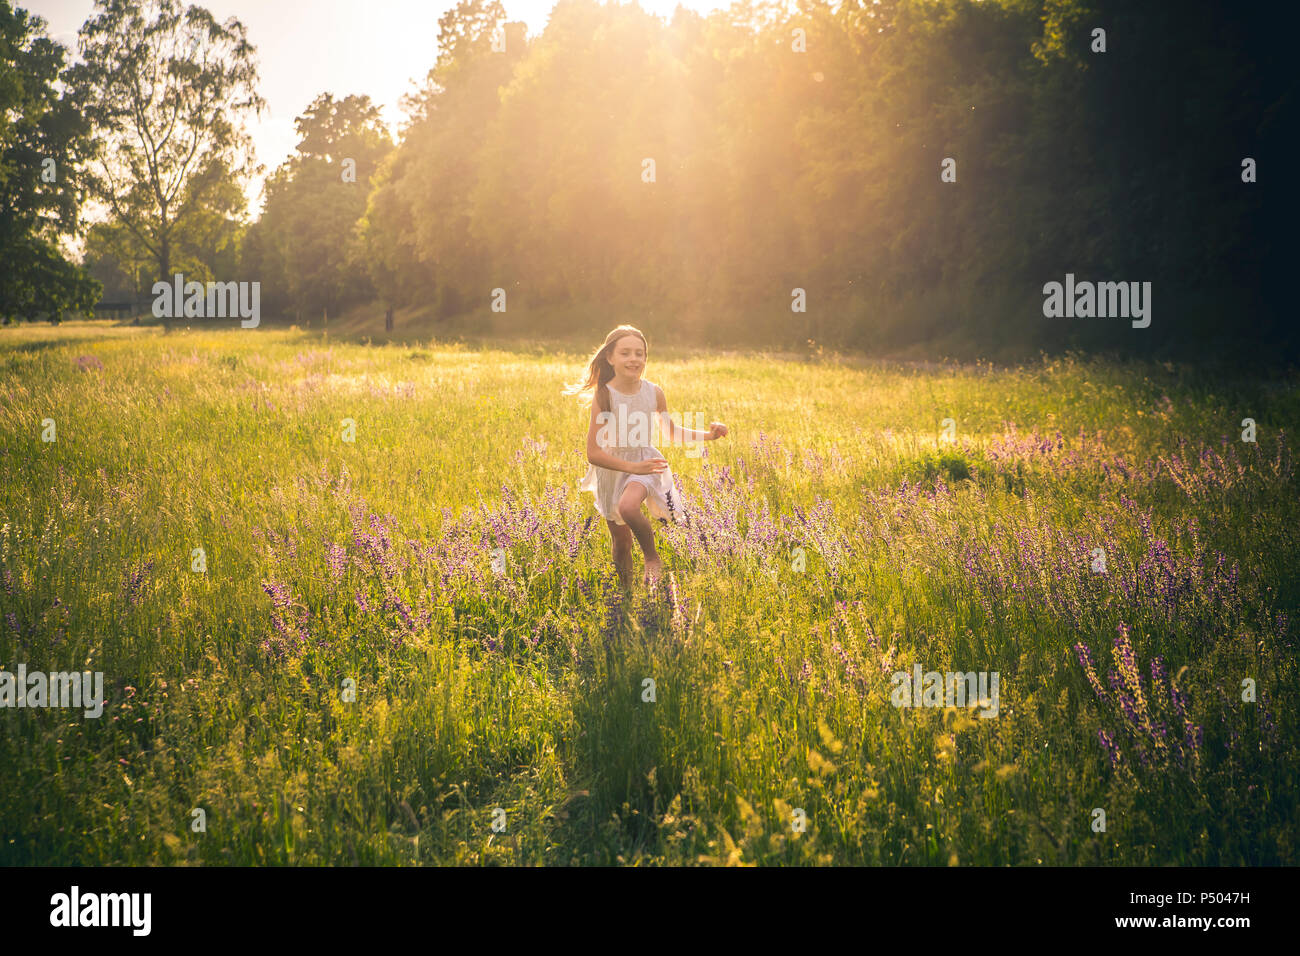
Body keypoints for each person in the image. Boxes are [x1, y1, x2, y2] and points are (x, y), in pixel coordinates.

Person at [565, 325, 728, 588]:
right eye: (626, 353)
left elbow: (672, 432)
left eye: (639, 353)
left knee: (628, 507)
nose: (634, 359)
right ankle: (626, 596)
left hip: (646, 464)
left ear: (645, 358)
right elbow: (593, 453)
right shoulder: (604, 395)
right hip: (612, 470)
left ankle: (651, 558)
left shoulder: (653, 392)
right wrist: (632, 467)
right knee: (621, 543)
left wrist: (710, 436)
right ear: (610, 358)